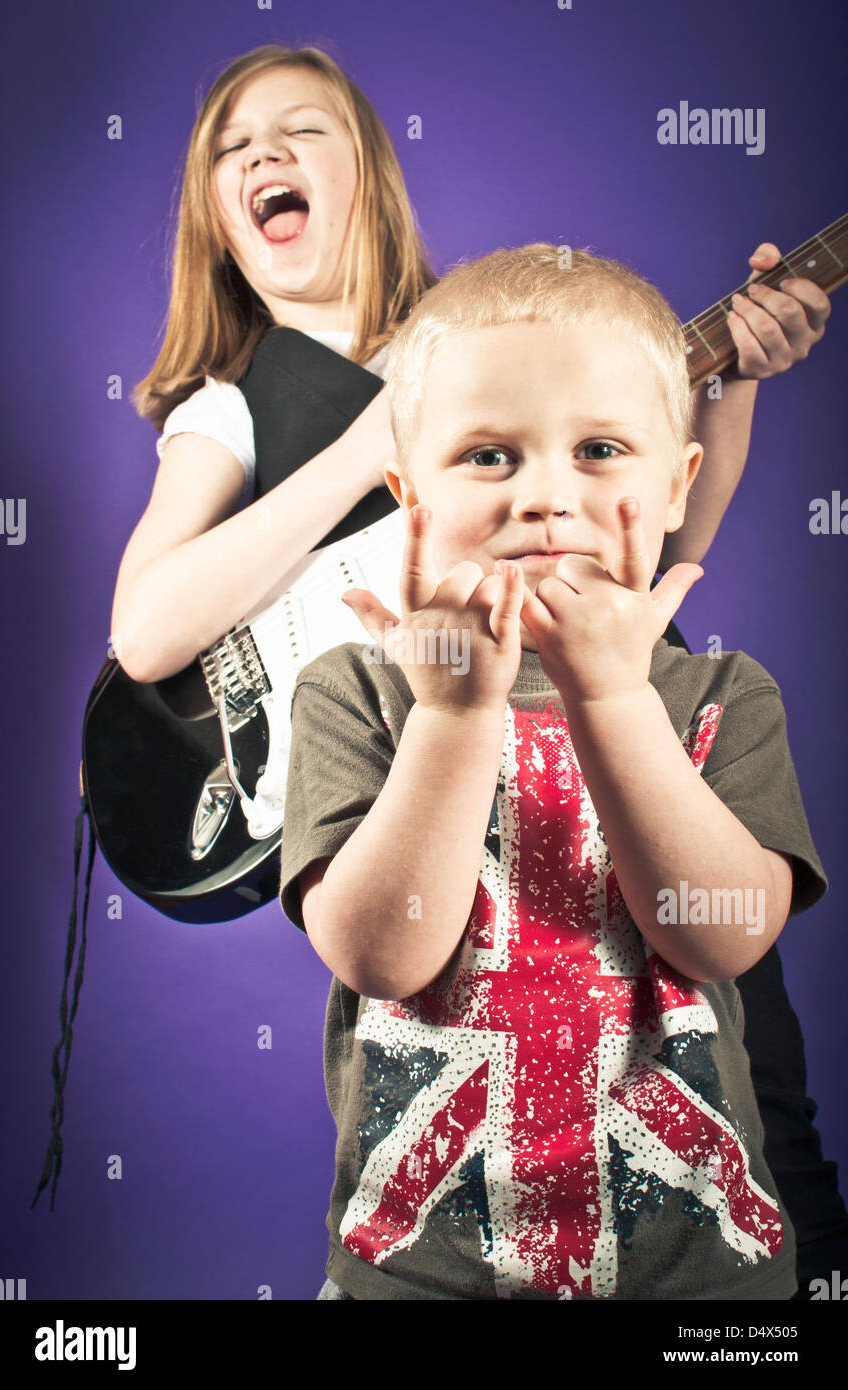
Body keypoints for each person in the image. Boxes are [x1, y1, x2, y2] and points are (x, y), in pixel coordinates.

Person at [106, 42, 844, 1292]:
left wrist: (723, 398)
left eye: (302, 131)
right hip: (430, 748)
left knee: (749, 1085)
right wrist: (366, 445)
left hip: (640, 768)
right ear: (215, 220)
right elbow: (146, 632)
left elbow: (656, 543)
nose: (263, 155)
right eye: (233, 148)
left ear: (370, 178)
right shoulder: (235, 405)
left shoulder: (505, 326)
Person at [278, 245, 830, 1300]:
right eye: (488, 455)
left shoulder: (718, 694)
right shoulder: (357, 690)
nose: (543, 495)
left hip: (699, 1288)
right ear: (409, 497)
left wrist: (617, 699)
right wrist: (451, 710)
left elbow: (718, 933)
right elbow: (376, 955)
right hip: (417, 1279)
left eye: (598, 450)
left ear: (675, 484)